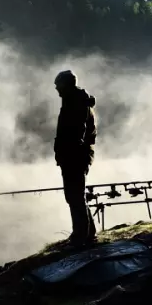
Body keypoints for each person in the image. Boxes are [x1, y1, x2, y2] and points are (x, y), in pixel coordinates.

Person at [53, 69, 98, 246]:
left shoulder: (76, 103)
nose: (56, 89)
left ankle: (81, 236)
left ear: (66, 85)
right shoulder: (74, 100)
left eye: (58, 85)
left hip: (75, 156)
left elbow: (76, 133)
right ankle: (86, 232)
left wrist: (69, 154)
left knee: (74, 196)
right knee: (76, 195)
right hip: (74, 155)